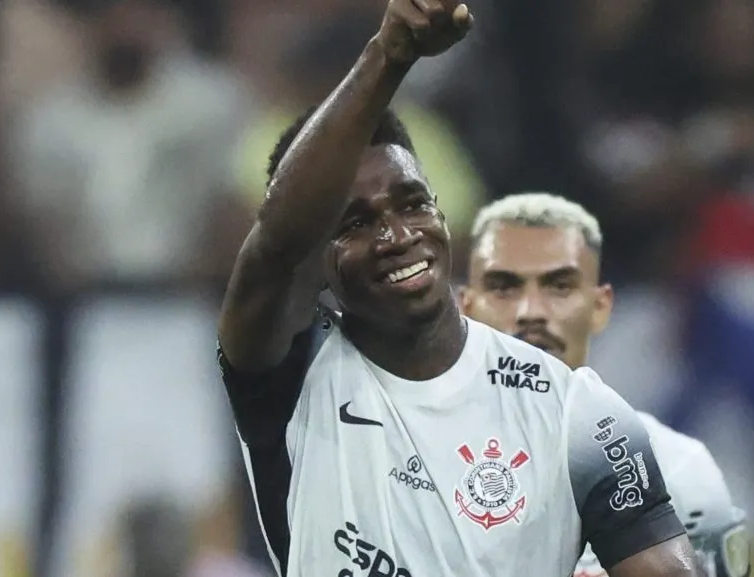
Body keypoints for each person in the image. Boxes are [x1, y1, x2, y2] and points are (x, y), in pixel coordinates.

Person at [217, 1, 699, 576]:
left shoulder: (575, 410)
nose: (397, 235)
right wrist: (390, 55)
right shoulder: (289, 378)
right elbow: (276, 246)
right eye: (355, 223)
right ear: (316, 258)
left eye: (414, 204)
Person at [458, 192, 751, 577]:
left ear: (600, 307)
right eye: (505, 288)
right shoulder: (403, 452)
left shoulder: (682, 470)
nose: (532, 311)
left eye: (559, 287)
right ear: (466, 307)